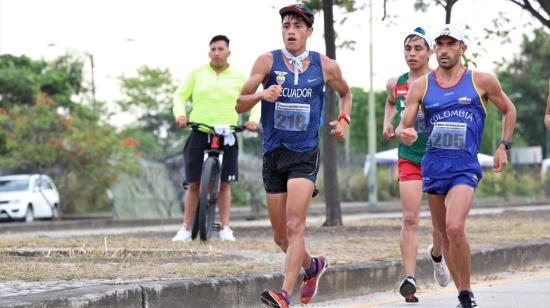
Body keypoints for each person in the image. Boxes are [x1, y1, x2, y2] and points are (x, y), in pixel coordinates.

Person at [235, 4, 352, 307]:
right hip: (274, 153)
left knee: (294, 225)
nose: (290, 30)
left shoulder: (325, 66)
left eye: (297, 26)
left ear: (309, 31)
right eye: (286, 25)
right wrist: (261, 94)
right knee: (280, 237)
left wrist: (343, 120)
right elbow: (239, 103)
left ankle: (284, 293)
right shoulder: (267, 61)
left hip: (304, 154)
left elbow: (345, 93)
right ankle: (312, 267)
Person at [396, 24, 516, 308]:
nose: (444, 50)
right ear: (435, 49)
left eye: (451, 44)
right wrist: (405, 131)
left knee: (453, 226)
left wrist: (503, 146)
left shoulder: (481, 81)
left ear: (463, 48)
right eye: (440, 44)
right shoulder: (421, 85)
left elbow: (509, 109)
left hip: (464, 167)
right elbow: (404, 124)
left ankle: (465, 292)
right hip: (434, 166)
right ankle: (457, 285)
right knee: (442, 232)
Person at [383, 27, 450, 303]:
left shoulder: (441, 81)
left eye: (418, 49)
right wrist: (388, 122)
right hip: (409, 157)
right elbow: (390, 103)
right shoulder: (395, 83)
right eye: (408, 49)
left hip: (438, 157)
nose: (412, 54)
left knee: (441, 224)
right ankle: (409, 278)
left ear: (429, 52)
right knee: (410, 218)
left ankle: (437, 255)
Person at [171, 34, 259, 242]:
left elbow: (256, 100)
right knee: (193, 183)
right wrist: (180, 115)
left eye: (221, 49)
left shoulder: (239, 77)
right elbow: (179, 95)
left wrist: (253, 120)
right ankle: (185, 228)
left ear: (229, 52)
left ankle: (226, 227)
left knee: (225, 184)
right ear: (208, 52)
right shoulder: (197, 73)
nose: (217, 53)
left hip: (228, 131)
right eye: (213, 49)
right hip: (199, 129)